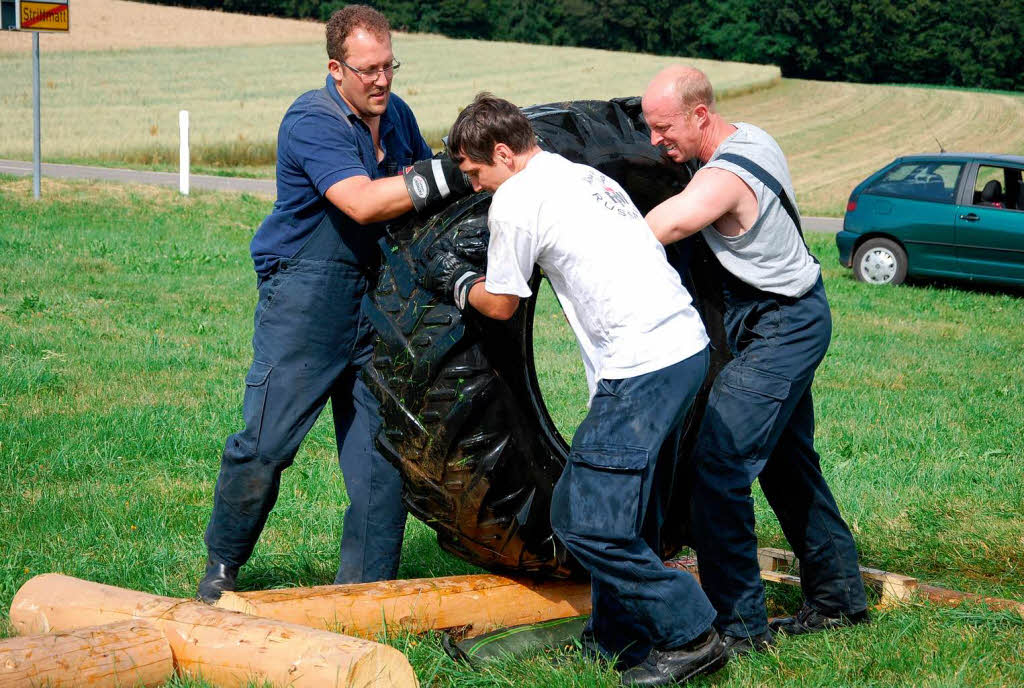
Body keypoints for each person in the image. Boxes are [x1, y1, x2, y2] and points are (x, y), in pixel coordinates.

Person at [426, 92, 727, 687]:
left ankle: (691, 635)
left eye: (475, 171)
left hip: (642, 365)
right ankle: (615, 637)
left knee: (584, 518)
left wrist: (456, 281)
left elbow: (503, 303)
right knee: (627, 510)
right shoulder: (580, 174)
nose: (475, 185)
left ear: (504, 154)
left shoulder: (515, 200)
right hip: (684, 347)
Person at [197, 4, 472, 603]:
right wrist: (455, 172)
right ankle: (222, 567)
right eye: (367, 69)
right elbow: (366, 204)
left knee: (382, 460)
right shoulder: (311, 119)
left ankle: (363, 596)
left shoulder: (396, 116)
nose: (381, 80)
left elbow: (419, 195)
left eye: (388, 66)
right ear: (335, 68)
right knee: (266, 445)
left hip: (377, 304)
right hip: (305, 300)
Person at [641, 65, 868, 654]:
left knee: (718, 467)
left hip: (782, 325)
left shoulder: (722, 179)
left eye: (664, 128)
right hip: (788, 313)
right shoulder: (753, 135)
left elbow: (664, 225)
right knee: (788, 465)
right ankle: (840, 599)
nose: (654, 142)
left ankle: (740, 630)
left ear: (700, 115)